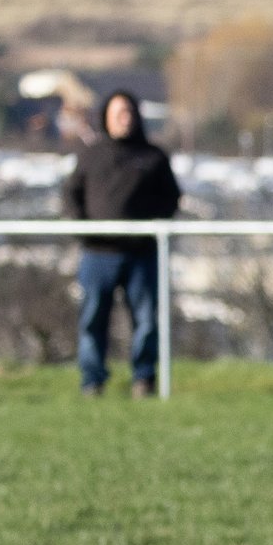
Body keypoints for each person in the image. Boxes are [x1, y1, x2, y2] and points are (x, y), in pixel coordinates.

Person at [60, 89, 180, 397]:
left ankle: (144, 379)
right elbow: (70, 194)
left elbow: (171, 198)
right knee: (92, 320)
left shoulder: (153, 157)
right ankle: (92, 381)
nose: (123, 120)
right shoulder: (91, 155)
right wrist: (82, 229)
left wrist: (151, 224)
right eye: (117, 114)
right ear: (106, 118)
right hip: (97, 254)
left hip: (141, 254)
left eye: (128, 113)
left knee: (145, 321)